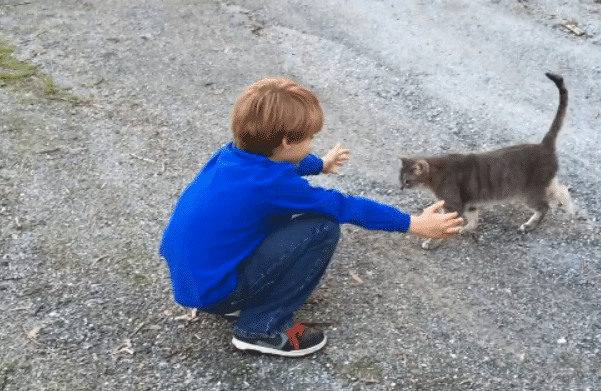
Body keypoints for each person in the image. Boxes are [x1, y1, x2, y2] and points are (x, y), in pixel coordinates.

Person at [159, 77, 462, 357]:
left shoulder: (231, 155)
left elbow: (275, 163)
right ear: (289, 142)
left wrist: (320, 165)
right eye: (311, 138)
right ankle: (262, 327)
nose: (313, 143)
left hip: (196, 278)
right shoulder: (273, 185)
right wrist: (413, 223)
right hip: (215, 290)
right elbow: (344, 206)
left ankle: (239, 301)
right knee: (321, 227)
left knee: (273, 219)